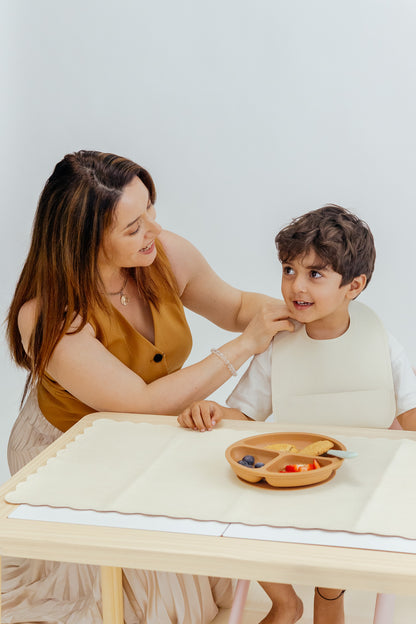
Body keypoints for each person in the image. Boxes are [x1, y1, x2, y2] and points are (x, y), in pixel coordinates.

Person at [3, 150, 294, 624]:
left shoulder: (161, 253)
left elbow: (237, 306)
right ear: (84, 240)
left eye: (151, 211)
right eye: (134, 226)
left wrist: (300, 313)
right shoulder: (49, 315)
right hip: (72, 446)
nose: (154, 231)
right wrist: (245, 346)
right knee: (156, 604)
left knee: (222, 514)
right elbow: (136, 405)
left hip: (150, 429)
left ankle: (282, 602)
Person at [178, 205, 416, 624]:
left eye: (315, 274)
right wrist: (214, 411)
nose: (295, 286)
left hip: (355, 481)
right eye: (289, 270)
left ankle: (329, 591)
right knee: (238, 505)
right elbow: (245, 417)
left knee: (337, 552)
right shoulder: (278, 343)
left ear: (354, 286)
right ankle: (286, 601)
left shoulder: (380, 342)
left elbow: (412, 416)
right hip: (294, 477)